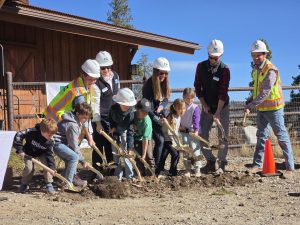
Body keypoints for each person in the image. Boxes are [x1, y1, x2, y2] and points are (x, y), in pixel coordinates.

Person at [244, 40, 295, 177]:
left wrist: (250, 105)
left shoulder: (270, 69)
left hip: (274, 109)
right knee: (261, 136)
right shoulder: (256, 70)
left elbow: (265, 92)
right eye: (253, 55)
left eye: (258, 55)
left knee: (281, 136)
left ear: (265, 54)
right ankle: (257, 165)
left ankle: (289, 167)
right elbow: (257, 90)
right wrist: (250, 101)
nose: (255, 58)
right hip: (262, 109)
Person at [44, 59, 100, 147]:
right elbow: (83, 115)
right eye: (90, 79)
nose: (93, 82)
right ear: (83, 75)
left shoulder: (81, 84)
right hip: (55, 120)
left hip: (58, 118)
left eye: (95, 80)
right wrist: (89, 137)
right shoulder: (78, 91)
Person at [194, 39, 230, 173]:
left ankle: (222, 163)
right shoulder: (200, 66)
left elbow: (223, 92)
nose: (213, 59)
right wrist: (204, 105)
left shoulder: (225, 70)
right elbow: (198, 87)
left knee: (223, 135)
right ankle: (210, 161)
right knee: (202, 134)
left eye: (216, 57)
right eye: (211, 57)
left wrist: (218, 112)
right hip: (207, 105)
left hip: (222, 106)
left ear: (221, 55)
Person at [53, 99, 92, 187]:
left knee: (70, 159)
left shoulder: (75, 119)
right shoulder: (72, 125)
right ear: (77, 114)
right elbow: (74, 146)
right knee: (74, 157)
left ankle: (62, 180)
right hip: (56, 144)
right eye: (84, 118)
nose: (85, 120)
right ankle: (68, 184)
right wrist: (83, 161)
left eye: (87, 118)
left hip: (62, 143)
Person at [91, 51, 120, 171]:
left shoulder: (116, 76)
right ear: (98, 67)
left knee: (110, 144)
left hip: (112, 117)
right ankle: (97, 171)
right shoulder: (96, 82)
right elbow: (95, 103)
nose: (106, 70)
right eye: (103, 68)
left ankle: (111, 170)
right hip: (100, 117)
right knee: (98, 144)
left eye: (108, 66)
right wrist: (97, 123)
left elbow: (118, 95)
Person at [13, 118, 58, 194]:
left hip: (42, 153)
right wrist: (20, 150)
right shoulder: (32, 132)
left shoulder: (50, 141)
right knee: (29, 168)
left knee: (47, 167)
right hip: (28, 152)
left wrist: (52, 167)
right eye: (50, 134)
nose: (51, 136)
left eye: (53, 134)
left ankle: (49, 184)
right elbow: (19, 135)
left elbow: (49, 154)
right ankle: (24, 184)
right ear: (42, 131)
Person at [142, 57, 171, 168]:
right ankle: (155, 167)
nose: (163, 75)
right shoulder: (148, 86)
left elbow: (166, 98)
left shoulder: (164, 83)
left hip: (160, 116)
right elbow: (147, 107)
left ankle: (159, 166)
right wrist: (156, 118)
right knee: (160, 140)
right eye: (161, 73)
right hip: (149, 117)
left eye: (165, 73)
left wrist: (162, 106)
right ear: (155, 71)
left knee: (165, 141)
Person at [109, 88, 137, 180]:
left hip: (125, 131)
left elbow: (130, 131)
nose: (127, 106)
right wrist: (113, 128)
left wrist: (130, 148)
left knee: (126, 155)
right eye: (124, 104)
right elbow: (111, 120)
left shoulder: (131, 114)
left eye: (128, 104)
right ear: (119, 102)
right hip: (115, 132)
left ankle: (130, 176)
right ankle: (118, 177)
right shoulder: (113, 109)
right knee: (116, 154)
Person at [156, 99, 186, 176]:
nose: (182, 110)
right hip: (168, 139)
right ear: (175, 108)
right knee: (176, 154)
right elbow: (168, 129)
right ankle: (173, 171)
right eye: (180, 109)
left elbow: (176, 128)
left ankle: (159, 170)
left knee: (164, 155)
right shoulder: (171, 116)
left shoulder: (178, 116)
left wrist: (183, 129)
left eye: (183, 108)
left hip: (174, 140)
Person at [180, 88, 202, 177]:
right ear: (183, 97)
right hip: (184, 131)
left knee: (195, 149)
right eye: (187, 98)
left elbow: (196, 119)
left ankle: (197, 169)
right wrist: (179, 126)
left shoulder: (195, 107)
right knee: (186, 150)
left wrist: (196, 130)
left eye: (191, 98)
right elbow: (178, 116)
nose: (189, 100)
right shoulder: (181, 105)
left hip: (193, 131)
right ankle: (187, 169)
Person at [133, 98, 155, 176]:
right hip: (136, 138)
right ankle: (141, 174)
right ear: (138, 109)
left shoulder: (147, 122)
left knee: (149, 156)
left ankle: (151, 174)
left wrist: (144, 154)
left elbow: (145, 139)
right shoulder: (133, 115)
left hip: (146, 139)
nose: (145, 113)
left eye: (147, 112)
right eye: (143, 111)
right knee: (138, 157)